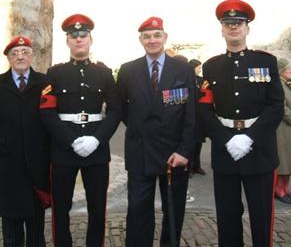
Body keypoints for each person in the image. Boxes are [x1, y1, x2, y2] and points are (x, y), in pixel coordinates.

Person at [199, 0, 284, 247]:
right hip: (226, 152)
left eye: (238, 23)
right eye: (228, 23)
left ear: (247, 28)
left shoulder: (266, 62)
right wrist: (226, 139)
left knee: (261, 217)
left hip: (259, 151)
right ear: (221, 29)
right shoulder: (211, 66)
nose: (233, 27)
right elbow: (205, 110)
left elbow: (275, 105)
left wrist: (250, 137)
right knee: (227, 218)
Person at [39, 14, 121, 247]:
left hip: (96, 149)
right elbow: (46, 111)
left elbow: (115, 111)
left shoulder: (104, 73)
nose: (78, 40)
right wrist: (70, 141)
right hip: (64, 150)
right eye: (73, 36)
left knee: (97, 206)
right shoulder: (54, 73)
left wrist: (96, 139)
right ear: (67, 41)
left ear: (90, 39)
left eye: (83, 35)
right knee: (60, 208)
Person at [117, 16, 196, 247]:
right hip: (140, 151)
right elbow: (122, 108)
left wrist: (184, 150)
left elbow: (191, 114)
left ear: (165, 37)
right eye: (147, 36)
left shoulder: (183, 69)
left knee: (173, 210)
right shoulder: (128, 70)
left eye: (157, 35)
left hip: (175, 153)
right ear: (141, 40)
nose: (152, 40)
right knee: (138, 209)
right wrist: (140, 129)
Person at [0, 36, 50, 247]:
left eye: (24, 52)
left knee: (37, 231)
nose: (20, 56)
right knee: (11, 233)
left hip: (37, 170)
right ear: (8, 58)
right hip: (8, 170)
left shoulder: (45, 83)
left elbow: (52, 123)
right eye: (15, 53)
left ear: (31, 55)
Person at [275, 58, 291, 204]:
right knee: (284, 161)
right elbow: (280, 106)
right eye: (289, 68)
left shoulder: (288, 83)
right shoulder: (278, 85)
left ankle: (286, 188)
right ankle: (279, 189)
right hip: (283, 129)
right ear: (281, 71)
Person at [188, 58, 207, 176]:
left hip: (200, 116)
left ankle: (197, 166)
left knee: (198, 142)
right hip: (190, 116)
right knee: (190, 143)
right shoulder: (186, 80)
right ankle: (189, 167)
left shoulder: (202, 80)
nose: (200, 70)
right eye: (198, 68)